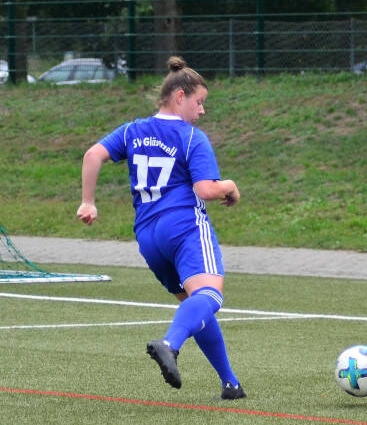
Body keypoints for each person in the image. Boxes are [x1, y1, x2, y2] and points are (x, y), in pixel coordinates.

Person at [77, 56, 246, 400]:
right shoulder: (191, 137)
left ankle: (230, 383)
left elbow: (93, 155)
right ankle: (170, 344)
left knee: (196, 304)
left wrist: (88, 202)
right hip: (183, 228)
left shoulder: (132, 131)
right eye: (200, 102)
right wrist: (230, 186)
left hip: (149, 238)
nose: (202, 111)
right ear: (180, 96)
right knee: (210, 296)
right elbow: (205, 190)